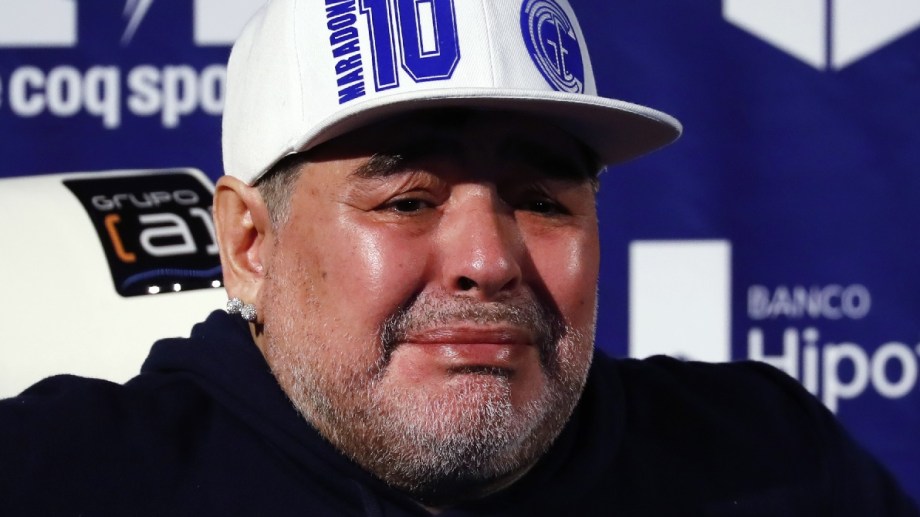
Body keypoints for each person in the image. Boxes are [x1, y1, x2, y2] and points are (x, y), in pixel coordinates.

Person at [1, 0, 917, 515]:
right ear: (249, 244)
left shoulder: (770, 461)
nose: (488, 258)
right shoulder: (59, 480)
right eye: (408, 200)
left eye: (543, 199)